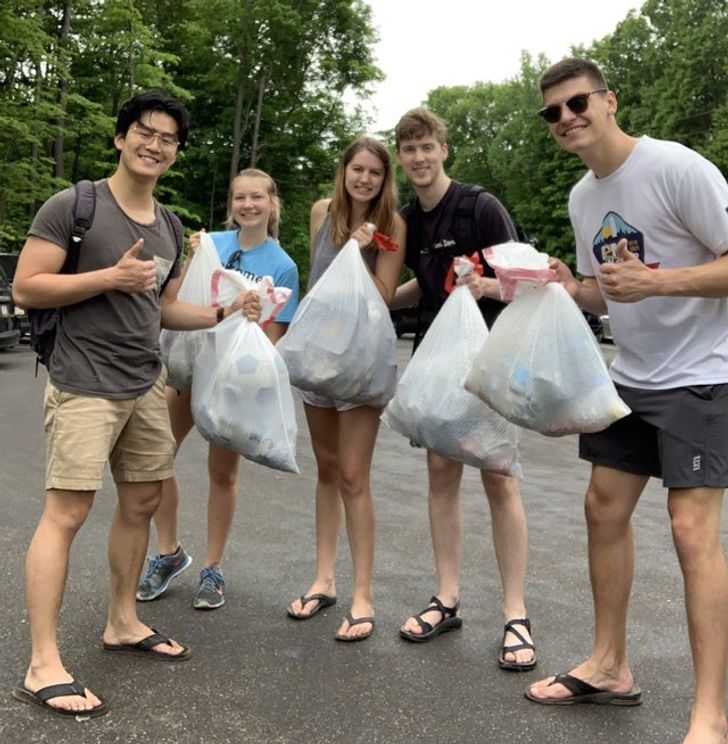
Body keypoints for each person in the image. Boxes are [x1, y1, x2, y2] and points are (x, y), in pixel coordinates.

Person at [11, 90, 259, 718]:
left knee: (144, 500)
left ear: (176, 152)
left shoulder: (170, 224)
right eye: (144, 132)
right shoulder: (76, 205)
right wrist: (107, 277)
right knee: (67, 512)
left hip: (144, 380)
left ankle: (121, 621)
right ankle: (42, 664)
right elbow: (27, 287)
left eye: (168, 138)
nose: (155, 144)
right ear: (120, 138)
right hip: (82, 379)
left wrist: (224, 312)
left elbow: (159, 307)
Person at [524, 57, 728, 744]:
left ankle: (711, 717)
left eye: (577, 102)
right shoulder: (583, 197)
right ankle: (611, 665)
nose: (566, 118)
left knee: (690, 532)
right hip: (632, 375)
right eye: (552, 112)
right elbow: (602, 288)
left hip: (702, 373)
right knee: (601, 508)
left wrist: (662, 286)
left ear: (609, 100)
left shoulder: (675, 168)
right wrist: (563, 283)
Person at [391, 107, 536, 670]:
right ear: (401, 158)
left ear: (444, 149)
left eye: (428, 147)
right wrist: (368, 296)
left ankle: (516, 614)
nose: (420, 158)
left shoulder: (480, 207)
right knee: (440, 475)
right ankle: (446, 598)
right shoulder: (407, 219)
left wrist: (485, 287)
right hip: (435, 360)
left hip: (490, 364)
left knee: (500, 481)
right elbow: (420, 289)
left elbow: (528, 285)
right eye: (409, 150)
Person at [137, 168, 299, 610]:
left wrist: (244, 328)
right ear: (232, 204)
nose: (248, 205)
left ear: (272, 203)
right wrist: (194, 259)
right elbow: (185, 300)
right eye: (240, 198)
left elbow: (273, 339)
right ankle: (169, 553)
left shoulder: (283, 264)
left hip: (233, 380)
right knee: (156, 456)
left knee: (222, 473)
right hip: (191, 367)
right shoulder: (212, 244)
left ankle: (213, 566)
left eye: (257, 198)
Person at [286, 136, 406, 641]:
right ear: (344, 170)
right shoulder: (321, 213)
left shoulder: (392, 225)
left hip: (360, 364)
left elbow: (381, 296)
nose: (364, 179)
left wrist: (360, 251)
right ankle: (323, 579)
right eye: (357, 169)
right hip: (319, 359)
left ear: (384, 179)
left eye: (374, 173)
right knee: (327, 469)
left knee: (354, 475)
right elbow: (316, 285)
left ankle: (363, 595)